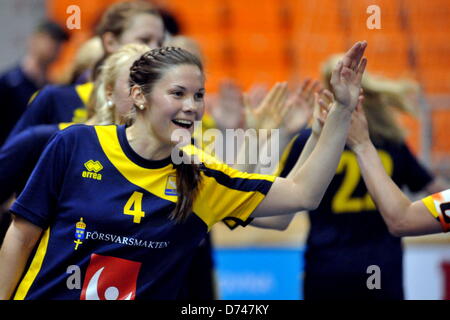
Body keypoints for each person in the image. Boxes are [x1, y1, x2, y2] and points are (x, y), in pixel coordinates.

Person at [0, 41, 367, 300]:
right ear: (139, 96)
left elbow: (303, 193)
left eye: (198, 96)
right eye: (178, 94)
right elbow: (21, 236)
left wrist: (340, 111)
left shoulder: (202, 177)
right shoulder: (75, 144)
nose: (191, 106)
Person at [266, 61, 447, 299]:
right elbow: (433, 190)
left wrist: (279, 134)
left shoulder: (309, 140)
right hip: (381, 266)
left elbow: (274, 197)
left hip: (328, 265)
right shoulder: (391, 142)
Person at [0, 43, 150, 246]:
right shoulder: (47, 139)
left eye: (151, 86)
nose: (142, 95)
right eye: (134, 84)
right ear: (109, 91)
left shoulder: (163, 161)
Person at [5, 1, 165, 143]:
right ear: (110, 42)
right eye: (144, 40)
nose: (155, 49)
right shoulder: (54, 98)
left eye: (160, 42)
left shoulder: (160, 106)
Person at [347, 95, 450, 237]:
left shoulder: (394, 144)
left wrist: (362, 145)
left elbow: (403, 220)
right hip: (385, 251)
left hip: (328, 251)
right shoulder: (395, 143)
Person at [0, 20, 69, 146]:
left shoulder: (52, 87)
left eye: (59, 42)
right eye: (51, 39)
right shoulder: (9, 82)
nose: (56, 46)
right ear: (34, 40)